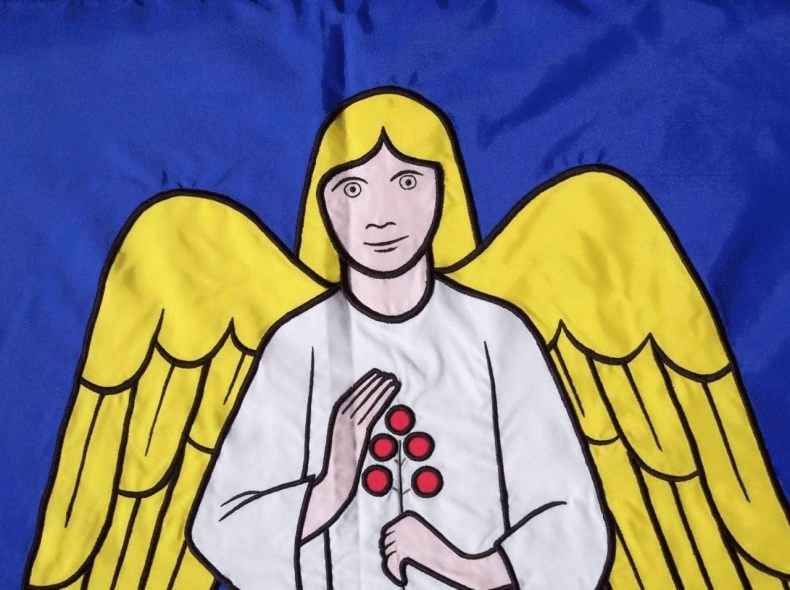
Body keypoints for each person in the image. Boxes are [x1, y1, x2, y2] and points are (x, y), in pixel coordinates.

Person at [191, 88, 610, 589]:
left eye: (407, 181)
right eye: (352, 188)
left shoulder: (496, 333)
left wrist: (464, 566)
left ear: (442, 189)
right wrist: (332, 484)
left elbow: (572, 520)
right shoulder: (297, 343)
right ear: (322, 202)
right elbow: (220, 527)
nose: (381, 215)